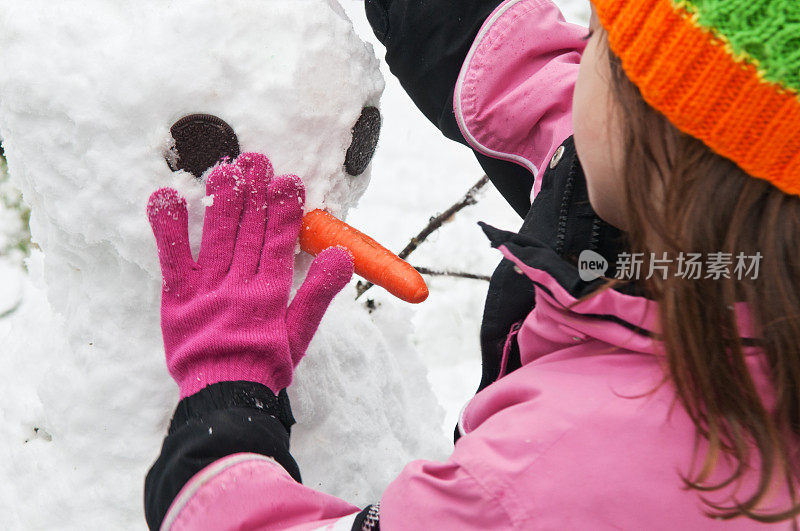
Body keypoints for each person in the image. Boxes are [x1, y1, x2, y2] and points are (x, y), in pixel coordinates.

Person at [143, 0, 800, 528]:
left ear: (651, 140)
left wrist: (225, 391)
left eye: (597, 38)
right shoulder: (726, 241)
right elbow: (548, 102)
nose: (580, 56)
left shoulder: (536, 488)